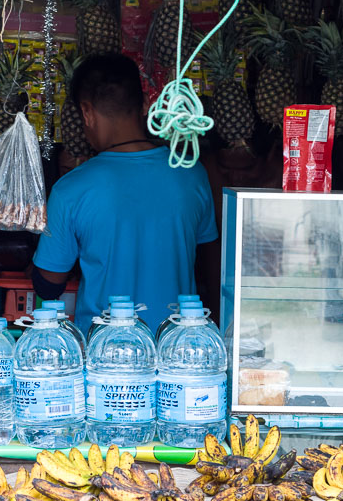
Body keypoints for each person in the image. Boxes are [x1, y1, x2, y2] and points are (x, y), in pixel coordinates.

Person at [32, 53, 218, 333]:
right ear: (145, 104)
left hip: (104, 355)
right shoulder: (191, 172)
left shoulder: (71, 189)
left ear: (86, 112)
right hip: (179, 349)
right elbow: (211, 263)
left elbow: (48, 283)